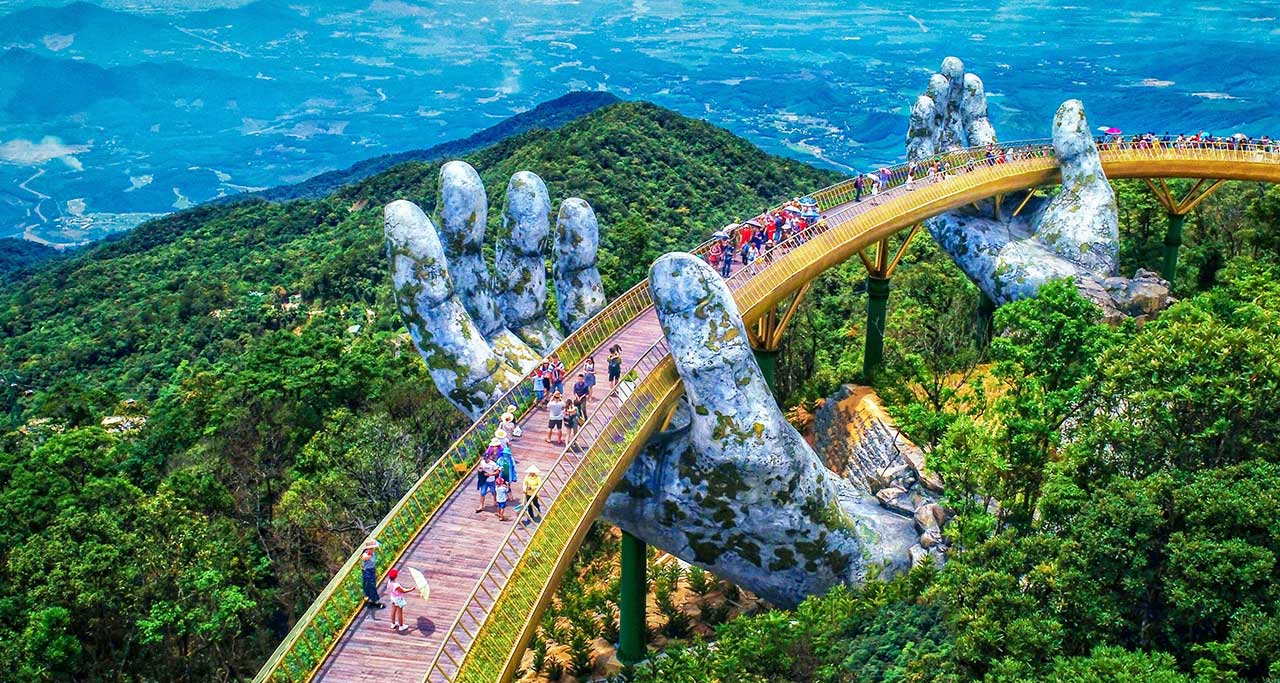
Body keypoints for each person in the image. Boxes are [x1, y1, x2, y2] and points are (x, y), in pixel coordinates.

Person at [386, 568, 415, 632]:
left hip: (393, 597)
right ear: (396, 576)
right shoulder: (396, 585)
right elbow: (403, 591)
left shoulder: (389, 582)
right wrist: (411, 589)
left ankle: (393, 624)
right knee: (400, 612)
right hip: (398, 599)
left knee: (393, 611)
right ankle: (401, 626)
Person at [360, 539, 384, 610]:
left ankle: (369, 598)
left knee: (370, 584)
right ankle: (375, 600)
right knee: (369, 584)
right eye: (371, 548)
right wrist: (368, 555)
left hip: (372, 570)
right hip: (367, 571)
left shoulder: (373, 553)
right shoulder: (366, 553)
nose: (372, 549)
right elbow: (364, 557)